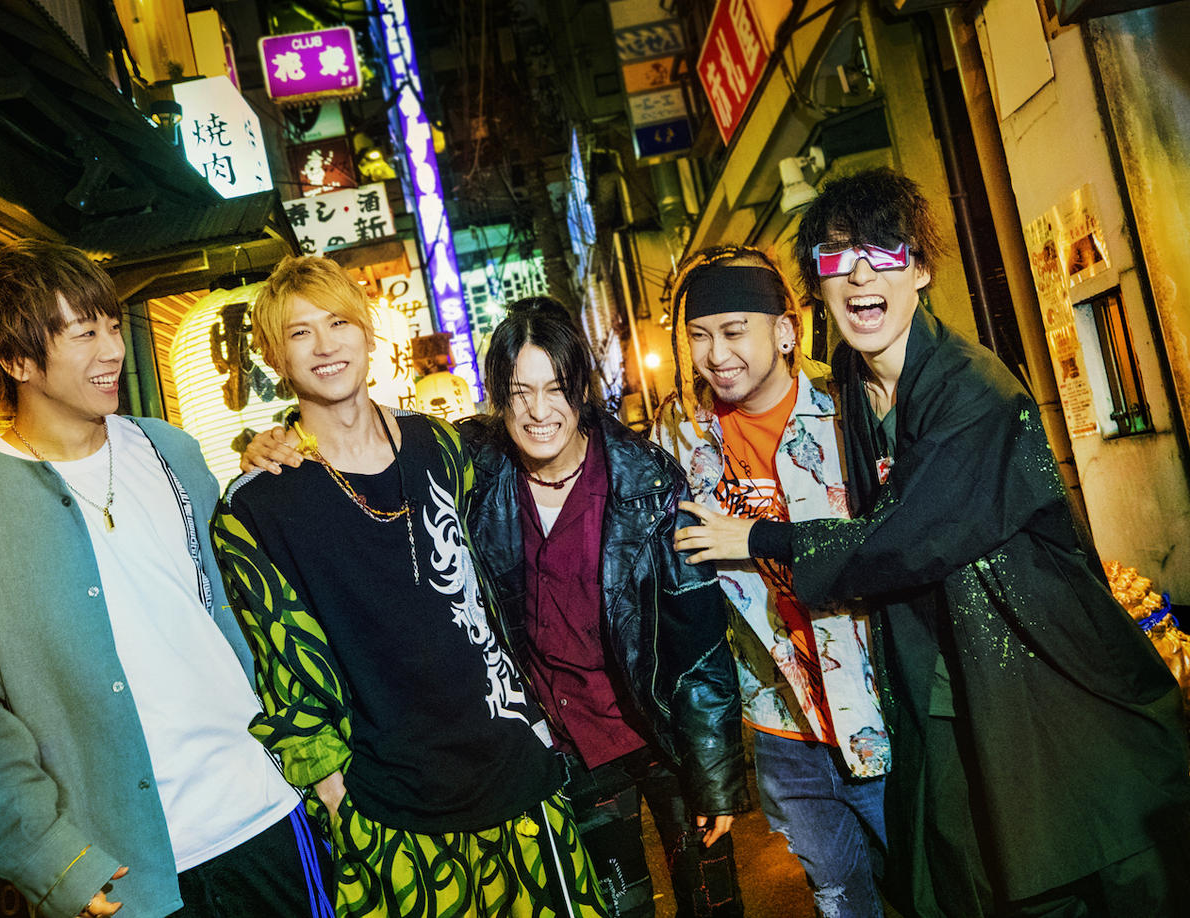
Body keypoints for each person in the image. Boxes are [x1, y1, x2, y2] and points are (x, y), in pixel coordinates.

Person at [675, 168, 1190, 917]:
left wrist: (757, 535)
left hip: (1035, 658)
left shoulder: (973, 390)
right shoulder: (854, 380)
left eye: (882, 253)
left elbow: (902, 540)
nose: (859, 276)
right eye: (836, 258)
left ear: (919, 268)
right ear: (818, 289)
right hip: (940, 672)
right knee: (961, 874)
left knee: (1085, 866)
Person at [0, 240, 329, 918]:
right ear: (17, 360)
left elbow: (251, 606)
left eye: (112, 326)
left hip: (265, 810)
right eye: (85, 334)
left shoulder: (173, 451)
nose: (113, 350)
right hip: (126, 870)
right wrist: (56, 867)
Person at [211, 255, 606, 918]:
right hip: (390, 812)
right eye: (300, 332)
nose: (325, 345)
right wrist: (336, 795)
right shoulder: (254, 508)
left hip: (515, 771)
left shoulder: (441, 446)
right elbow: (284, 670)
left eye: (339, 322)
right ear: (274, 357)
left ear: (369, 334)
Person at [463, 298, 748, 918]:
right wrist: (289, 440)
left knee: (712, 906)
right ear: (498, 398)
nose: (540, 412)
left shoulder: (648, 483)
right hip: (572, 751)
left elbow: (697, 642)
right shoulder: (477, 479)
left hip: (663, 736)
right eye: (520, 393)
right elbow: (381, 443)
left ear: (583, 390)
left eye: (556, 389)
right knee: (619, 910)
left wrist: (714, 774)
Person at [650, 246, 889, 918]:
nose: (715, 354)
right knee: (838, 898)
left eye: (734, 331)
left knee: (935, 885)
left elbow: (895, 544)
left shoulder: (849, 409)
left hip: (880, 706)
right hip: (781, 724)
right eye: (699, 336)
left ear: (785, 331)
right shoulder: (681, 435)